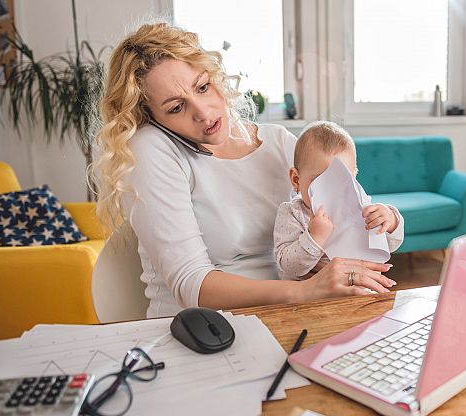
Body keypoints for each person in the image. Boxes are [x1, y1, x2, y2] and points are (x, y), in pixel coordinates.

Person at [94, 23, 395, 318]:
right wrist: (306, 291)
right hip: (202, 330)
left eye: (202, 87)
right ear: (153, 119)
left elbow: (351, 218)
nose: (202, 111)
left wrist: (372, 231)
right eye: (176, 108)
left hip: (289, 317)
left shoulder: (278, 142)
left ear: (214, 77)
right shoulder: (152, 148)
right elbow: (191, 283)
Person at [274, 121, 403, 280]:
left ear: (354, 176)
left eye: (341, 180)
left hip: (360, 288)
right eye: (319, 181)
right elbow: (288, 266)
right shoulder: (293, 213)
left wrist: (390, 221)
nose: (331, 190)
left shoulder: (360, 207)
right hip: (311, 296)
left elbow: (391, 245)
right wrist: (314, 237)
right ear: (296, 180)